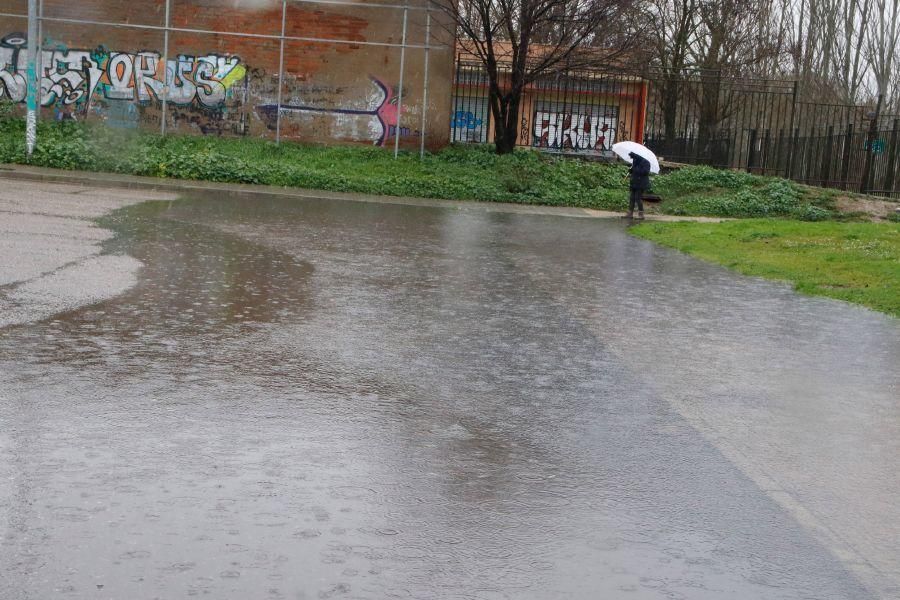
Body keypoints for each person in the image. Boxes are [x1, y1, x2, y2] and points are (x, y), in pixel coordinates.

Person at [626, 151, 651, 220]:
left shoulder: (646, 161)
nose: (633, 157)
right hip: (634, 182)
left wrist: (635, 169)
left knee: (638, 198)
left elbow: (645, 172)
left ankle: (641, 214)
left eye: (634, 155)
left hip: (641, 183)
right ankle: (630, 213)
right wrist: (631, 171)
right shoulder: (636, 160)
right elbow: (634, 170)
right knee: (632, 198)